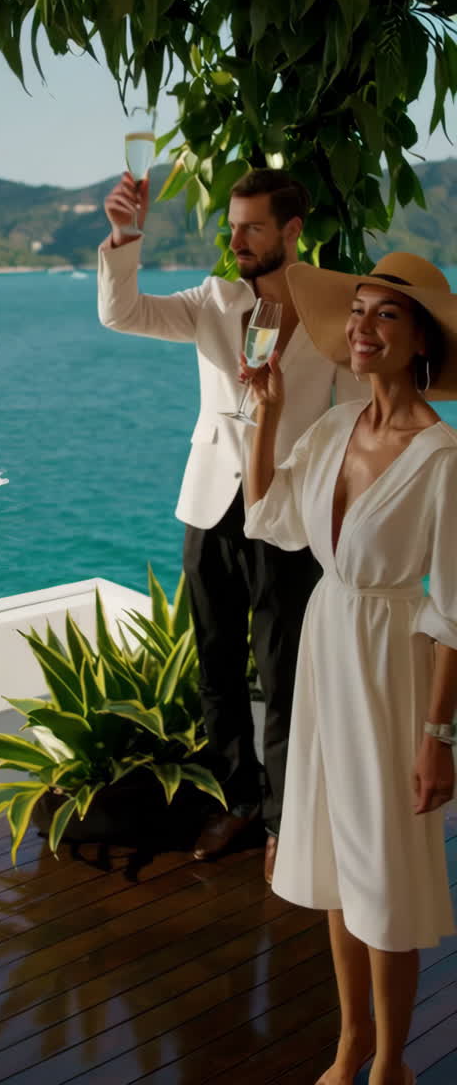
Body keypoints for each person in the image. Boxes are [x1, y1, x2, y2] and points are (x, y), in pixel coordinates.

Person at [99, 167, 364, 881]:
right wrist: (126, 238)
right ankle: (239, 801)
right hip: (212, 504)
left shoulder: (335, 313)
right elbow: (122, 313)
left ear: (291, 230)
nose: (237, 239)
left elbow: (359, 417)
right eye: (233, 225)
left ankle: (287, 817)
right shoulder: (212, 299)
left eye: (252, 227)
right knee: (217, 666)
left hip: (289, 514)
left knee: (284, 674)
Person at [243, 250, 457, 1085]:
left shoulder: (441, 459)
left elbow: (454, 612)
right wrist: (265, 415)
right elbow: (270, 516)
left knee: (386, 872)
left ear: (420, 341)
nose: (362, 328)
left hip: (393, 666)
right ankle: (349, 1044)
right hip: (329, 645)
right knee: (338, 859)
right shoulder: (335, 427)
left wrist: (439, 737)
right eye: (358, 311)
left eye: (385, 316)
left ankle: (393, 1064)